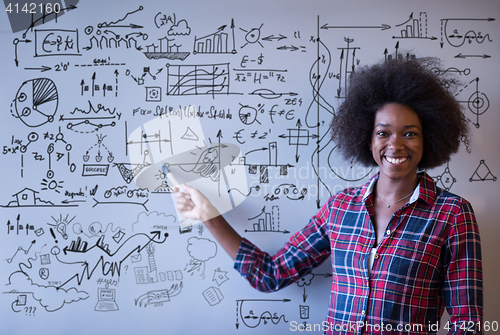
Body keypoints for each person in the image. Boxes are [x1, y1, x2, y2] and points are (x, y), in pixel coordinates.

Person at [174, 58, 483, 334]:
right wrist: (209, 216)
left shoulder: (452, 215)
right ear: (366, 137)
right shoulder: (340, 209)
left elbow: (467, 323)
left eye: (410, 133)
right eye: (383, 132)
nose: (396, 144)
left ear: (429, 138)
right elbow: (271, 274)